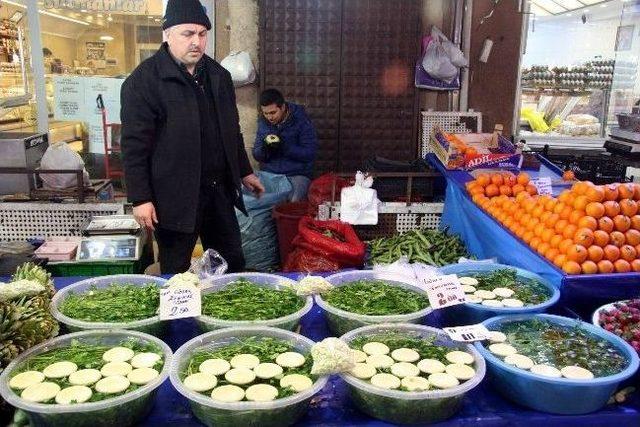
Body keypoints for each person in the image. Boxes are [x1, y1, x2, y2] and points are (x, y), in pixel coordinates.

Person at [120, 0, 264, 274]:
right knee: (176, 270)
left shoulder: (219, 75)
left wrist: (244, 172)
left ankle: (222, 315)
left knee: (232, 265)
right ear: (167, 34)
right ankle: (179, 317)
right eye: (188, 34)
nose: (196, 41)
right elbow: (134, 147)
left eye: (202, 34)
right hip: (173, 197)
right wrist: (140, 198)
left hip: (218, 191)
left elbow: (231, 130)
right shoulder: (144, 82)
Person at [253, 89, 318, 201]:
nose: (270, 117)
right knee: (255, 200)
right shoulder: (263, 122)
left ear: (282, 107)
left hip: (297, 174)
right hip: (270, 174)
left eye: (273, 112)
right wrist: (265, 149)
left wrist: (285, 147)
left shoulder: (301, 121)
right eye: (266, 113)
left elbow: (310, 153)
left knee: (293, 203)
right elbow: (256, 154)